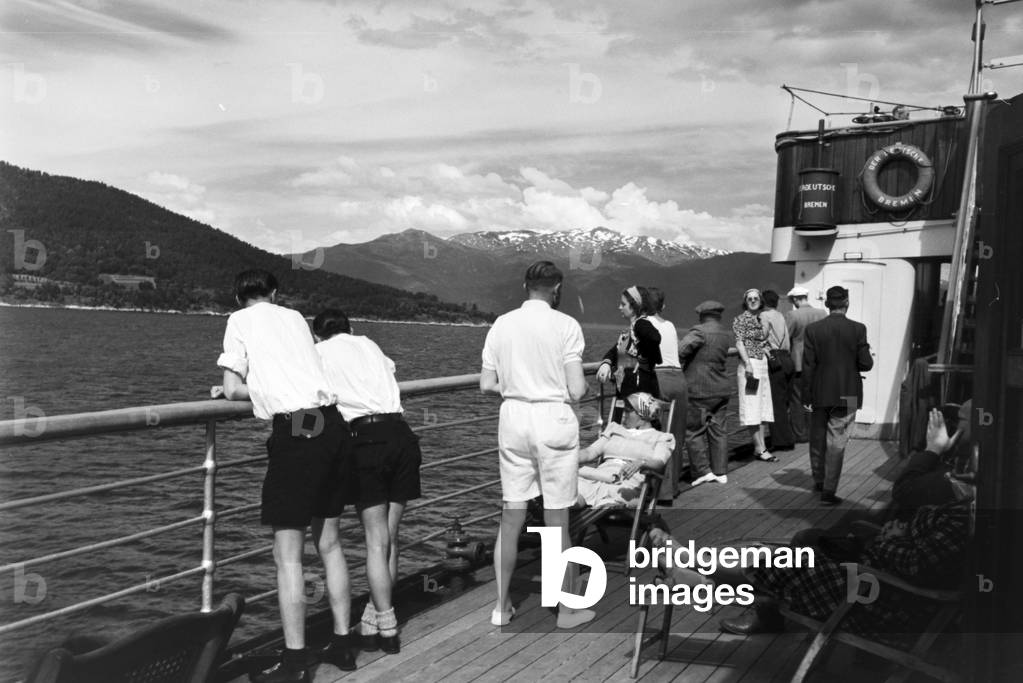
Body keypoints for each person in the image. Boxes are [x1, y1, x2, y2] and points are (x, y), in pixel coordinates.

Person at [216, 270, 355, 682]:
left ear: (238, 297)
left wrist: (247, 388)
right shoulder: (294, 317)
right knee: (330, 543)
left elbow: (232, 389)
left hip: (298, 429)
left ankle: (295, 662)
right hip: (331, 423)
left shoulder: (239, 320)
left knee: (288, 555)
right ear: (275, 294)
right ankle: (343, 645)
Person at [649, 499, 971, 638]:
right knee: (780, 559)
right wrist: (895, 536)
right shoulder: (967, 509)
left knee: (781, 564)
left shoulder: (964, 520)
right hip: (875, 582)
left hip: (881, 597)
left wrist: (888, 539)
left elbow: (917, 563)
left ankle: (688, 568)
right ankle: (689, 573)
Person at [479, 261, 595, 629]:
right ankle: (567, 611)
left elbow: (486, 384)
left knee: (511, 513)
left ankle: (501, 608)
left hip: (513, 420)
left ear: (524, 286)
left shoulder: (501, 324)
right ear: (556, 288)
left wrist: (518, 389)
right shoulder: (566, 325)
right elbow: (577, 389)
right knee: (556, 519)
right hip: (552, 421)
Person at [312, 309, 422, 656]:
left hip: (366, 440)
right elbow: (388, 373)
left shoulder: (318, 353)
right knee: (389, 537)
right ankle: (373, 620)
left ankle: (387, 627)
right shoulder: (369, 344)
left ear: (316, 335)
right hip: (401, 436)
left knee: (376, 542)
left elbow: (313, 401)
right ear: (351, 327)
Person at [802, 285, 874, 505]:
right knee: (838, 441)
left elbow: (808, 366)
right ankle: (829, 490)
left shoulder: (813, 330)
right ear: (847, 303)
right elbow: (866, 364)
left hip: (820, 391)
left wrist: (806, 396)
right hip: (849, 393)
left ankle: (818, 480)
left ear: (827, 304)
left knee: (817, 436)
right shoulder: (858, 329)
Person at [576, 391, 675, 507]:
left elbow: (659, 462)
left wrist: (641, 463)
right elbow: (590, 452)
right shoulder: (614, 428)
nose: (623, 414)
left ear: (642, 414)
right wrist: (568, 457)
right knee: (565, 499)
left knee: (607, 508)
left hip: (626, 485)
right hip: (596, 477)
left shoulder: (661, 437)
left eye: (628, 411)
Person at [678, 300, 734, 485]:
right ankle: (720, 471)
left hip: (699, 389)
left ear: (702, 315)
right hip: (721, 388)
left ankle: (702, 470)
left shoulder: (699, 332)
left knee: (693, 431)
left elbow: (681, 350)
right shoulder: (725, 333)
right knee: (719, 431)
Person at [645, 286, 688, 497]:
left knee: (655, 436)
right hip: (678, 379)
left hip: (659, 378)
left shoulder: (641, 325)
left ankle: (657, 491)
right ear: (663, 306)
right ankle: (672, 488)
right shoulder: (670, 325)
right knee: (675, 435)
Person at [596, 286, 662, 398]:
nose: (620, 307)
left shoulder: (640, 324)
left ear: (634, 306)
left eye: (623, 304)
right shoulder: (630, 332)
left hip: (639, 393)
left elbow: (655, 338)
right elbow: (614, 351)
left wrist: (643, 354)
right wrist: (606, 363)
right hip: (628, 392)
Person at [733, 288, 775, 462]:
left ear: (760, 300)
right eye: (749, 299)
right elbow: (739, 343)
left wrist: (764, 349)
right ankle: (759, 447)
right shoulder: (740, 319)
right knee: (751, 405)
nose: (752, 301)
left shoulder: (759, 319)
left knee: (762, 406)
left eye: (755, 298)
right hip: (750, 365)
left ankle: (761, 446)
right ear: (745, 302)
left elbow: (758, 341)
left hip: (761, 364)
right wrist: (748, 364)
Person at [785, 286, 827, 443]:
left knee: (797, 399)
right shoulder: (822, 313)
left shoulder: (792, 315)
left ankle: (800, 433)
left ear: (796, 299)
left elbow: (786, 338)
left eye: (792, 300)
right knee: (815, 398)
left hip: (799, 363)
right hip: (818, 362)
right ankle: (815, 430)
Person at [760, 290, 794, 451]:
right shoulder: (780, 315)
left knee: (775, 403)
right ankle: (787, 437)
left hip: (775, 359)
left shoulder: (764, 316)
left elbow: (761, 335)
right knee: (785, 401)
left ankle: (781, 441)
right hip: (787, 358)